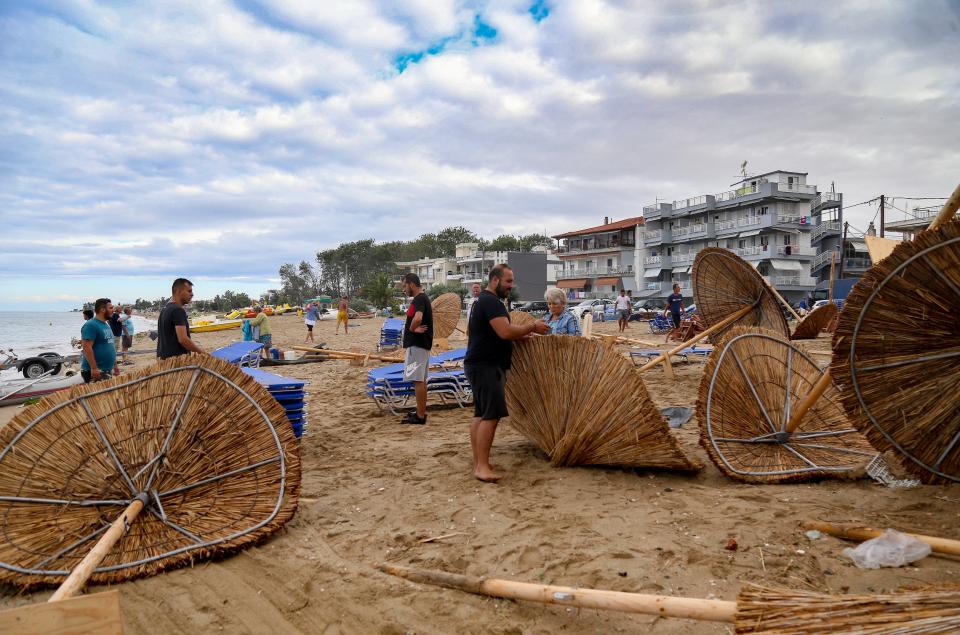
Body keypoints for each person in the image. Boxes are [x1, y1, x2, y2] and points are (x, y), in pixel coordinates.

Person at [465, 264, 550, 482]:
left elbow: (493, 333)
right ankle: (481, 467)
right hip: (487, 366)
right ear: (495, 280)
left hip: (479, 364)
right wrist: (531, 327)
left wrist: (519, 336)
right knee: (490, 416)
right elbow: (504, 331)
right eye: (508, 281)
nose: (511, 286)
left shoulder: (483, 301)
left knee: (480, 414)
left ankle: (479, 462)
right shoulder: (491, 302)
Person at [399, 274, 434, 425]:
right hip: (421, 346)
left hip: (417, 345)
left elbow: (418, 318)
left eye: (404, 286)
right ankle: (420, 412)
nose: (404, 289)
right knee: (420, 380)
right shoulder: (422, 298)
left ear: (412, 284)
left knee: (417, 380)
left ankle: (420, 416)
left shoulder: (419, 298)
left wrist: (413, 328)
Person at [157, 278, 205, 359]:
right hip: (176, 361)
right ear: (179, 292)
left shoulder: (165, 309)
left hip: (164, 360)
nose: (192, 294)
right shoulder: (177, 310)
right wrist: (201, 352)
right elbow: (183, 339)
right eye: (189, 291)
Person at [80, 298, 118, 383]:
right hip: (95, 371)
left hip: (106, 370)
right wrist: (94, 368)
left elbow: (110, 346)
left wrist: (115, 365)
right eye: (111, 308)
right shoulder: (91, 325)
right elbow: (86, 347)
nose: (113, 310)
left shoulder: (106, 324)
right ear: (102, 310)